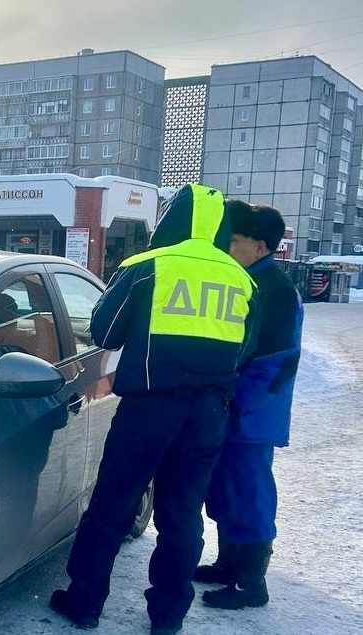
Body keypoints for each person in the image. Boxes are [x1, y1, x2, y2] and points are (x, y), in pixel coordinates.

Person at [49, 184, 259, 635]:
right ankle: (167, 617)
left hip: (149, 408)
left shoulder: (148, 265)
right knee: (182, 516)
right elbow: (246, 348)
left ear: (172, 220)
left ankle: (84, 601)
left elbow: (104, 331)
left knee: (111, 506)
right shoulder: (242, 279)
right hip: (208, 414)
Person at [195, 202, 303, 610]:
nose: (228, 247)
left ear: (260, 247)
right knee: (225, 491)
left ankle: (251, 584)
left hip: (251, 415)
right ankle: (228, 565)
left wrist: (237, 404)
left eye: (235, 241)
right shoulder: (244, 280)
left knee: (250, 494)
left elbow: (273, 363)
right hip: (234, 409)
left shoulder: (274, 291)